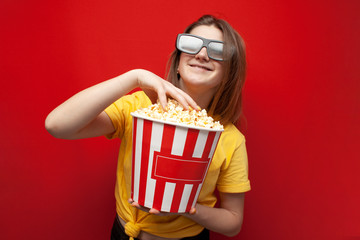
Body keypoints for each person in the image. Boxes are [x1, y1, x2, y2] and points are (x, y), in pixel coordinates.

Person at [45, 15, 250, 240]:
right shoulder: (140, 108)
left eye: (217, 50)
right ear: (178, 61)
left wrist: (186, 208)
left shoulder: (229, 138)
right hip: (123, 233)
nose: (202, 54)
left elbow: (233, 222)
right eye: (192, 44)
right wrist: (135, 77)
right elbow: (58, 125)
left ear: (229, 73)